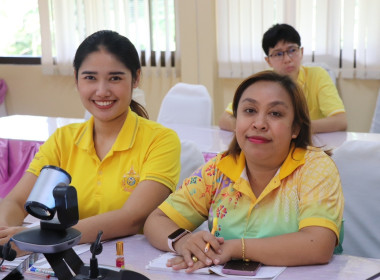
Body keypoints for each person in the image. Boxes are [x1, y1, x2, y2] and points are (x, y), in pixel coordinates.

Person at [144, 70, 344, 273]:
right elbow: (156, 221)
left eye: (275, 113)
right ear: (235, 120)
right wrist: (182, 240)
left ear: (296, 128)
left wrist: (236, 248)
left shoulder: (314, 167)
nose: (259, 123)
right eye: (249, 111)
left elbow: (319, 245)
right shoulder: (218, 170)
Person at [0, 30, 181, 249]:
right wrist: (4, 231)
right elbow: (16, 201)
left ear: (136, 78)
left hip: (132, 260)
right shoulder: (62, 139)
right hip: (69, 256)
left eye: (115, 78)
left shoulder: (161, 141)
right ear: (76, 79)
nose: (102, 90)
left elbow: (132, 218)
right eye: (90, 78)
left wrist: (44, 237)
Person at [219, 23, 347, 134]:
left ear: (301, 52)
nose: (287, 59)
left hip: (309, 145)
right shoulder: (262, 81)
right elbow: (225, 119)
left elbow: (340, 121)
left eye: (292, 50)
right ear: (268, 60)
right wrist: (250, 128)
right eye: (278, 54)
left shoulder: (318, 75)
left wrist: (293, 129)